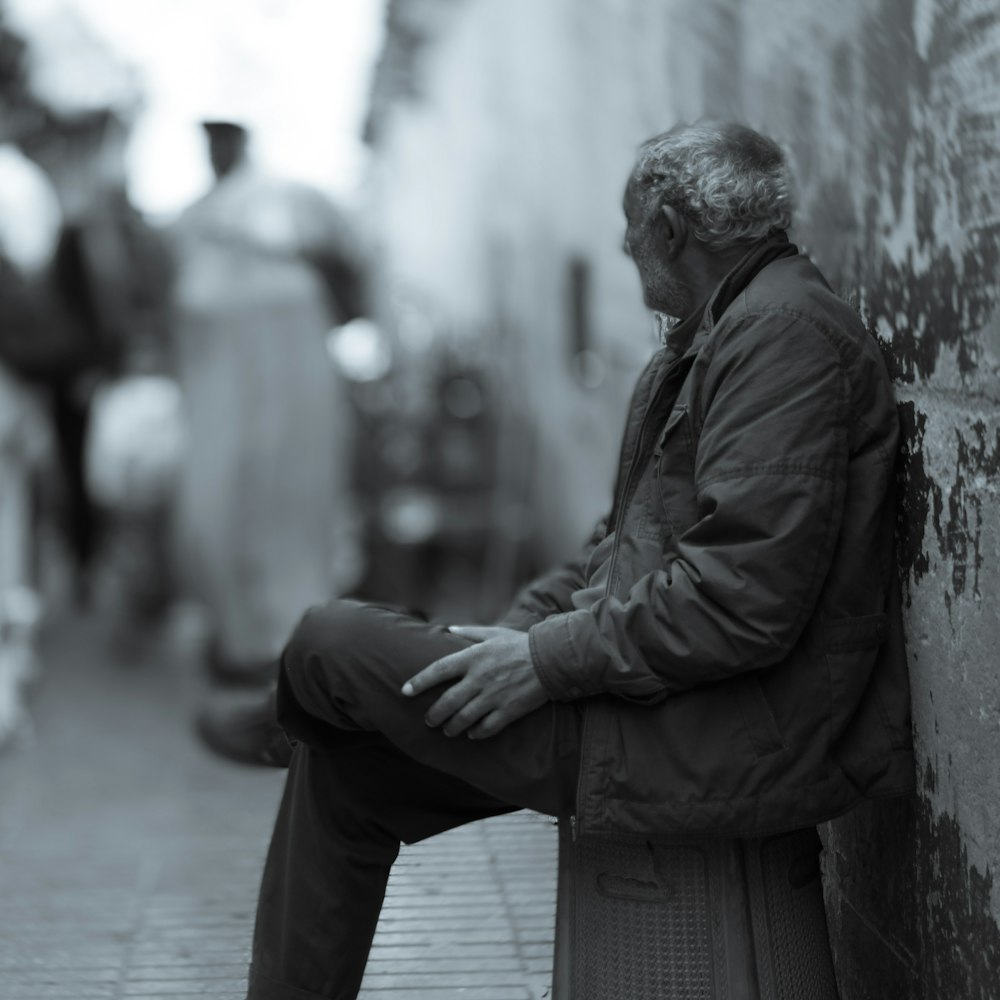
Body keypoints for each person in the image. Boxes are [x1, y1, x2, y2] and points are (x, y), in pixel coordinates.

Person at [242, 121, 916, 1000]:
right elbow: (612, 547)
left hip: (728, 729)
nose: (622, 247)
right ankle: (294, 732)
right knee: (344, 773)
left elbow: (741, 602)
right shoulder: (710, 340)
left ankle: (270, 715)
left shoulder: (784, 335)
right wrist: (515, 642)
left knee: (329, 640)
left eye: (631, 228)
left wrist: (545, 662)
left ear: (669, 227)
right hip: (652, 697)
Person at [170, 119, 367, 686]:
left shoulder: (290, 211)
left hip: (289, 405)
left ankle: (287, 646)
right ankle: (244, 639)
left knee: (289, 514)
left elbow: (348, 281)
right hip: (222, 407)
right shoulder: (198, 222)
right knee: (218, 513)